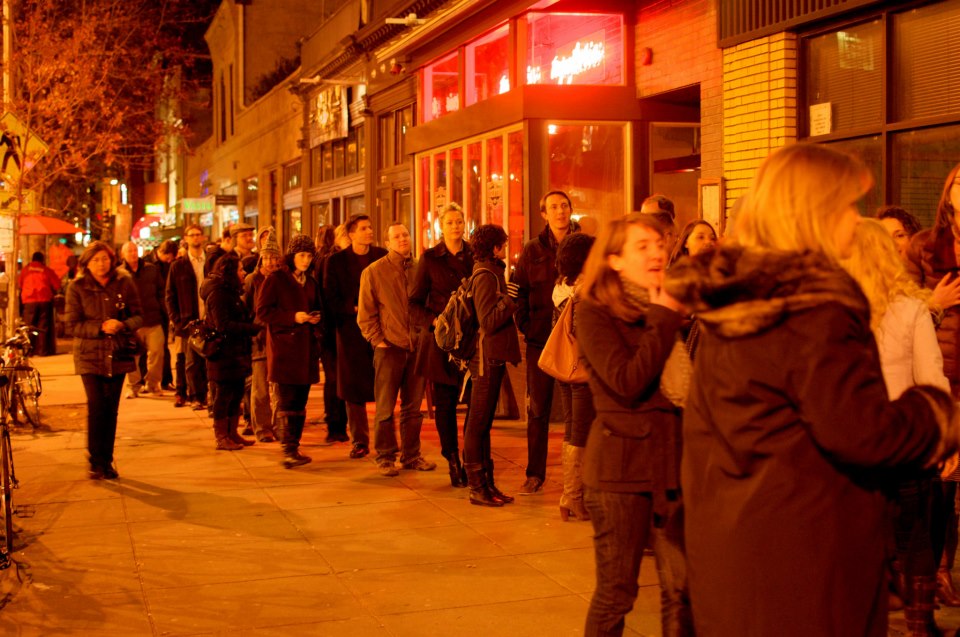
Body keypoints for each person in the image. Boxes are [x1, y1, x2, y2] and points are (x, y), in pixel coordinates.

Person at [665, 142, 959, 636]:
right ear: (812, 214)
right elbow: (863, 432)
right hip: (804, 558)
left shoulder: (742, 300)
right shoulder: (811, 308)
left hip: (741, 548)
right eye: (846, 205)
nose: (855, 218)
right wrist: (939, 413)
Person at [575, 214, 690, 636]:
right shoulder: (594, 313)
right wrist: (663, 316)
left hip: (671, 466)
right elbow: (626, 382)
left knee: (681, 589)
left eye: (659, 243)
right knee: (618, 592)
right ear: (615, 260)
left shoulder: (666, 306)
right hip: (620, 473)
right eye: (642, 246)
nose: (657, 252)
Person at [843, 219, 951, 635]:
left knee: (860, 544)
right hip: (905, 442)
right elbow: (930, 377)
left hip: (854, 445)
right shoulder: (911, 309)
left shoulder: (836, 312)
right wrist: (943, 437)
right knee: (915, 540)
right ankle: (919, 625)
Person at [906, 161, 960, 608]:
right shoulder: (927, 246)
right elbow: (902, 307)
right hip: (940, 374)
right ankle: (935, 575)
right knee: (941, 486)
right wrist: (934, 301)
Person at [513, 190, 580, 495]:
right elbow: (519, 292)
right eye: (553, 206)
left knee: (577, 412)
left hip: (577, 339)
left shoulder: (585, 245)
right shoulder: (532, 250)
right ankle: (534, 474)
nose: (560, 211)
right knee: (538, 409)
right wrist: (526, 325)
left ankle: (577, 477)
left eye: (564, 205)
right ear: (544, 213)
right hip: (541, 339)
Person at [358, 222, 437, 477]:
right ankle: (385, 456)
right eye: (397, 236)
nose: (403, 239)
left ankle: (411, 455)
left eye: (405, 234)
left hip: (417, 346)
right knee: (384, 406)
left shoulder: (419, 269)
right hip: (389, 348)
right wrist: (377, 340)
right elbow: (366, 313)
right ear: (388, 242)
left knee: (413, 408)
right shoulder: (374, 272)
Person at [64, 241, 143, 480]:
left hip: (118, 353)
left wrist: (123, 325)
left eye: (105, 259)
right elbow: (72, 325)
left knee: (111, 409)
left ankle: (106, 460)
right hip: (90, 356)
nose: (101, 264)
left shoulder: (124, 282)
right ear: (87, 262)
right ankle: (95, 460)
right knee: (97, 406)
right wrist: (99, 327)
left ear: (112, 260)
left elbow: (139, 315)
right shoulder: (77, 287)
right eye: (96, 260)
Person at [410, 203, 474, 488]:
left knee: (476, 403)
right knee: (446, 404)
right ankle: (452, 460)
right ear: (441, 226)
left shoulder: (475, 255)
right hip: (440, 341)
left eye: (459, 221)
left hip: (472, 340)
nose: (455, 226)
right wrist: (435, 321)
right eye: (450, 222)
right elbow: (413, 303)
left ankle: (473, 457)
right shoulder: (429, 258)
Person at [462, 224, 521, 507]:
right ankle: (477, 486)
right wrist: (509, 300)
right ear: (495, 247)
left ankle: (488, 484)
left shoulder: (489, 271)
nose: (506, 249)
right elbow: (487, 320)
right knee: (478, 422)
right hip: (486, 358)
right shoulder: (485, 275)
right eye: (503, 244)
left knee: (483, 424)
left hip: (493, 356)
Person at [257, 234, 323, 468]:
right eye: (302, 255)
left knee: (300, 401)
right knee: (286, 401)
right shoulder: (276, 279)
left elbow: (316, 305)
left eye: (309, 256)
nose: (305, 260)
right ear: (292, 256)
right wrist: (292, 317)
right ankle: (288, 449)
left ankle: (294, 445)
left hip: (305, 349)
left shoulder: (311, 282)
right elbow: (263, 312)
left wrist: (315, 317)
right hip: (285, 349)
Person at [324, 215, 387, 459]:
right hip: (350, 331)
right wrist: (354, 309)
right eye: (363, 228)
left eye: (370, 227)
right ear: (351, 234)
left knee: (384, 386)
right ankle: (359, 440)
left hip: (381, 329)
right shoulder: (337, 262)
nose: (369, 231)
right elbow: (331, 297)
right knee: (352, 389)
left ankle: (385, 440)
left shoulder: (381, 255)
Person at [551, 232, 596, 522]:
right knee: (580, 432)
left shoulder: (560, 288)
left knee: (571, 429)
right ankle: (574, 497)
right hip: (581, 370)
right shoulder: (583, 292)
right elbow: (583, 333)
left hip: (564, 369)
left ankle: (572, 495)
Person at [202, 253, 261, 450]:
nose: (244, 272)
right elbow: (223, 325)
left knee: (235, 393)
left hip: (235, 352)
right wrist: (252, 328)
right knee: (224, 395)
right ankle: (221, 436)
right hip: (222, 353)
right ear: (230, 272)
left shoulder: (231, 291)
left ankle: (232, 432)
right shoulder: (218, 293)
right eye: (240, 269)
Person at [243, 227, 281, 443]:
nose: (269, 262)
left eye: (273, 258)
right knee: (259, 389)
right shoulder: (252, 280)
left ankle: (278, 425)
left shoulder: (281, 278)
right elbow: (247, 309)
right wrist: (253, 330)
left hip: (277, 338)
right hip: (258, 339)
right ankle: (262, 428)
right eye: (266, 258)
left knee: (278, 387)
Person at [166, 223, 208, 410]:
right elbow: (170, 295)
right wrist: (177, 320)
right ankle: (195, 396)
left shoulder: (211, 261)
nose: (195, 238)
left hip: (209, 319)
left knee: (209, 360)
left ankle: (207, 396)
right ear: (186, 238)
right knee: (190, 362)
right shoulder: (178, 265)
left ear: (203, 237)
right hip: (188, 320)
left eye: (198, 234)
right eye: (192, 235)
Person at [314, 224, 348, 443]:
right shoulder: (332, 261)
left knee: (336, 378)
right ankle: (336, 425)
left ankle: (336, 423)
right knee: (337, 379)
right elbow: (330, 297)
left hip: (329, 329)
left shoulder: (321, 260)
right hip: (333, 329)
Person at [118, 242, 166, 398]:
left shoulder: (151, 269)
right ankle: (133, 386)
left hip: (153, 318)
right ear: (123, 254)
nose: (132, 253)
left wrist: (163, 309)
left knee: (157, 352)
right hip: (132, 322)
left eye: (134, 250)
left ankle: (152, 384)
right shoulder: (119, 273)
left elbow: (161, 291)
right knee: (133, 356)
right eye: (129, 251)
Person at [147, 239, 178, 390]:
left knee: (163, 348)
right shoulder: (150, 265)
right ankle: (148, 380)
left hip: (164, 311)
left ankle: (166, 380)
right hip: (154, 311)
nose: (170, 260)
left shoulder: (168, 264)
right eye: (169, 257)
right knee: (153, 349)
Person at [18, 251, 61, 356]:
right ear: (42, 260)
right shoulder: (46, 270)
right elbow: (57, 284)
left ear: (32, 259)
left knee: (29, 327)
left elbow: (19, 284)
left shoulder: (25, 270)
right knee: (43, 327)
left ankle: (29, 351)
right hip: (44, 300)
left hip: (29, 301)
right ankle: (42, 351)